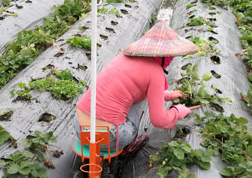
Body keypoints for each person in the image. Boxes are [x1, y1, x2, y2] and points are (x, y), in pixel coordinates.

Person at [76, 21, 200, 154]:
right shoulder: (155, 72)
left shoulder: (123, 57)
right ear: (164, 55)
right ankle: (129, 144)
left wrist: (166, 95)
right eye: (170, 56)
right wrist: (177, 111)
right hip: (108, 138)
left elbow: (129, 88)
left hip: (80, 128)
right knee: (141, 100)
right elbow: (159, 120)